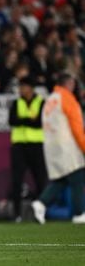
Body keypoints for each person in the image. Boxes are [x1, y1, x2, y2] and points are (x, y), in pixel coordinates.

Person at [32, 72, 85, 224]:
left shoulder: (50, 99)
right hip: (67, 144)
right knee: (77, 176)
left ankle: (41, 203)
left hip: (51, 145)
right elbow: (76, 127)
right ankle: (80, 213)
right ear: (68, 84)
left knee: (62, 178)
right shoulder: (67, 99)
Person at [8, 75, 48, 222]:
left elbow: (41, 122)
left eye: (23, 86)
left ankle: (41, 212)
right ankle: (17, 214)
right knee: (16, 181)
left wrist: (22, 120)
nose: (21, 89)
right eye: (20, 87)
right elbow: (12, 121)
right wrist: (28, 120)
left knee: (40, 180)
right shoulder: (16, 103)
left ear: (30, 88)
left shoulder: (41, 102)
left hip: (37, 146)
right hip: (19, 146)